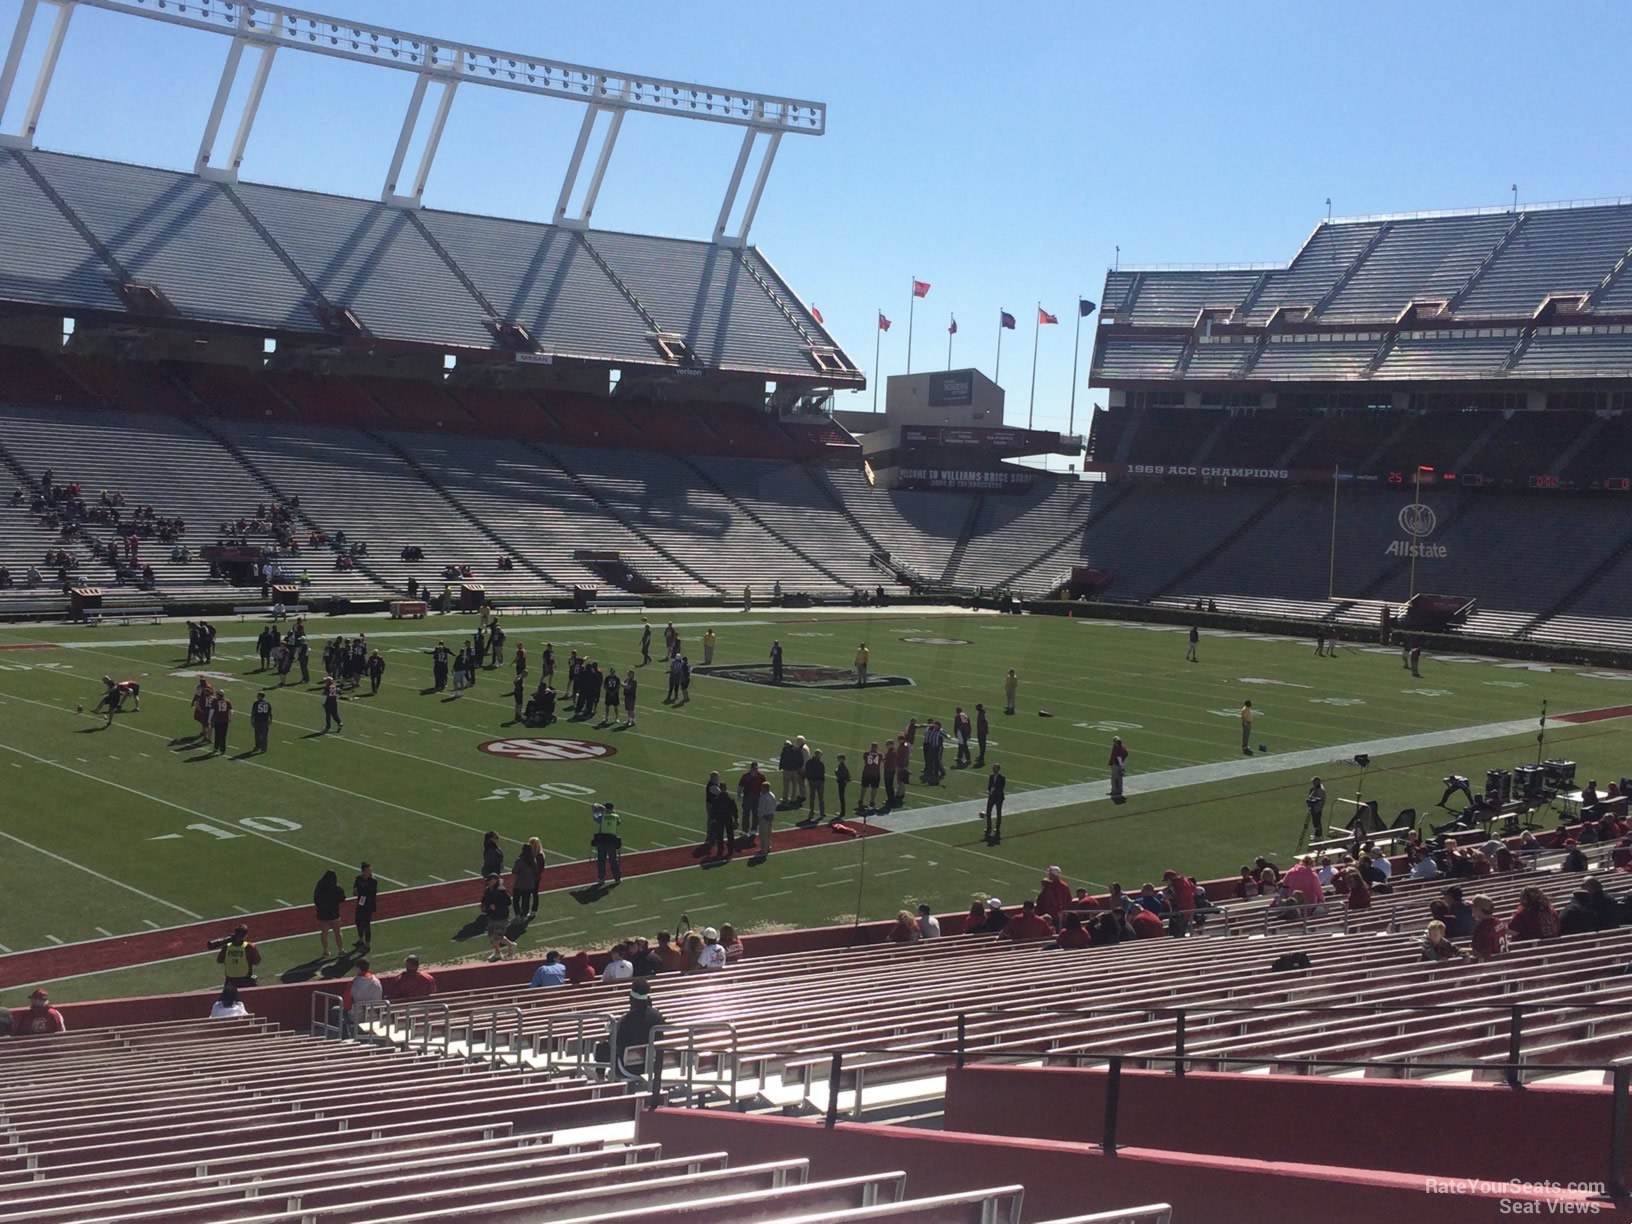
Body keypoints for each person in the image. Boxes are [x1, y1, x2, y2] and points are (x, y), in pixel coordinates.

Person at [606, 978, 665, 1077]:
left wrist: (612, 1031)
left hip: (628, 1069)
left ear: (631, 999)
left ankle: (601, 1075)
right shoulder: (657, 1015)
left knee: (603, 1047)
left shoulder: (627, 1019)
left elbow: (616, 1044)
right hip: (654, 1065)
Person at [482, 874, 517, 960]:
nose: (488, 882)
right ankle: (497, 953)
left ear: (495, 880)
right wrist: (485, 906)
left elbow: (508, 903)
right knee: (492, 936)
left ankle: (511, 945)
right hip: (491, 916)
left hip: (501, 916)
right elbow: (484, 900)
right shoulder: (488, 890)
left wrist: (496, 906)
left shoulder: (502, 891)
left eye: (490, 880)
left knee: (497, 936)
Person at [314, 870, 347, 958]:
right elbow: (342, 898)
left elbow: (316, 900)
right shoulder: (336, 888)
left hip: (323, 914)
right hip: (334, 914)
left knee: (324, 933)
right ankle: (340, 950)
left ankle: (325, 950)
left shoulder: (320, 887)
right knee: (337, 932)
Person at [217, 923, 260, 987]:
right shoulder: (249, 947)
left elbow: (219, 960)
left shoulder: (227, 947)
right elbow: (257, 961)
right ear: (245, 935)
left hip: (230, 982)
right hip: (245, 981)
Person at [347, 959, 384, 1034]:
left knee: (336, 1010)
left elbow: (347, 1002)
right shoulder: (376, 981)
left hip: (359, 1016)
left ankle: (346, 1035)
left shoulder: (354, 983)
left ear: (358, 968)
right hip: (376, 1014)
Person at [513, 837, 544, 919]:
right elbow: (536, 870)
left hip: (521, 883)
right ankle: (524, 914)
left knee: (517, 899)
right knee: (526, 899)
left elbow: (514, 870)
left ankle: (518, 914)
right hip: (530, 883)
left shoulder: (520, 860)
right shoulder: (533, 860)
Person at [592, 803, 623, 885]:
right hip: (612, 841)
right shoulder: (616, 816)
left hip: (602, 841)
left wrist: (595, 810)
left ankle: (601, 878)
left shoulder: (602, 816)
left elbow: (595, 818)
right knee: (613, 861)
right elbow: (618, 823)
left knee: (601, 861)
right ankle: (617, 878)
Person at [1469, 894, 1506, 960]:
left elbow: (1480, 954)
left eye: (1472, 907)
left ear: (1478, 909)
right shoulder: (1499, 922)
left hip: (1491, 965)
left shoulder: (1482, 928)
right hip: (1503, 959)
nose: (1471, 909)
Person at [352, 862, 378, 951]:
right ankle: (360, 939)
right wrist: (355, 892)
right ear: (363, 871)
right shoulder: (358, 879)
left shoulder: (373, 881)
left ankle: (367, 943)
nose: (369, 872)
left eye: (370, 870)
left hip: (369, 905)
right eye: (368, 870)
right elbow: (355, 888)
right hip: (361, 903)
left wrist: (361, 892)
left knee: (366, 924)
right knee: (358, 921)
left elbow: (370, 893)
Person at [984, 764, 1006, 844]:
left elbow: (1001, 788)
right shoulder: (991, 777)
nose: (994, 769)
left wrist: (994, 790)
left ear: (998, 769)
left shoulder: (1002, 778)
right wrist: (989, 790)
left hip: (998, 798)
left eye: (995, 768)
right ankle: (988, 827)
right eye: (993, 768)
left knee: (998, 813)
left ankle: (997, 828)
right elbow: (989, 786)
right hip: (991, 797)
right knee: (988, 812)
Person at [805, 748, 827, 820]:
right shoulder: (820, 763)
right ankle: (822, 812)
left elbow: (807, 771)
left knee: (812, 798)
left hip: (812, 781)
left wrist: (809, 778)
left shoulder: (809, 762)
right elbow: (822, 773)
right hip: (819, 782)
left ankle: (812, 811)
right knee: (820, 798)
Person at [755, 785, 777, 857]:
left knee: (763, 834)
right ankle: (768, 847)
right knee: (768, 833)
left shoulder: (763, 797)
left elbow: (762, 808)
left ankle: (763, 849)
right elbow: (774, 805)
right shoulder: (772, 795)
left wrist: (759, 816)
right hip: (770, 816)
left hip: (764, 817)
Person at [860, 742, 882, 812]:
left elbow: (865, 760)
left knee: (864, 787)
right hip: (875, 773)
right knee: (874, 788)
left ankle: (861, 800)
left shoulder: (866, 753)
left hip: (867, 772)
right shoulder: (880, 754)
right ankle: (872, 801)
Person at [209, 688, 232, 755]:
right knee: (223, 735)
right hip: (225, 720)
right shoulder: (227, 702)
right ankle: (223, 749)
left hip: (218, 720)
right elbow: (230, 711)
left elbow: (212, 711)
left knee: (217, 734)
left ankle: (216, 747)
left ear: (219, 695)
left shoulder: (215, 701)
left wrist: (210, 719)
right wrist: (230, 718)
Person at [249, 690, 273, 754]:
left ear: (260, 696)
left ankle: (258, 746)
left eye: (258, 695)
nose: (257, 697)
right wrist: (270, 720)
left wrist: (252, 720)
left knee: (257, 734)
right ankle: (264, 748)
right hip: (265, 721)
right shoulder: (267, 703)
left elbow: (253, 712)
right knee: (264, 735)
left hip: (258, 720)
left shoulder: (256, 703)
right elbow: (270, 713)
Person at [1108, 736, 1129, 800]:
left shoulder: (1118, 749)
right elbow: (1126, 756)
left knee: (1114, 779)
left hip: (1117, 765)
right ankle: (1120, 790)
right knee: (1119, 779)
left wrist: (1121, 766)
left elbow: (1118, 757)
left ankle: (1114, 791)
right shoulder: (1122, 748)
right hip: (1119, 765)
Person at [834, 754, 851, 821]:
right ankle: (842, 811)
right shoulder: (843, 766)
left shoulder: (842, 766)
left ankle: (842, 812)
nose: (838, 759)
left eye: (839, 758)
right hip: (842, 782)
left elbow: (841, 775)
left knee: (841, 797)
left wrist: (836, 772)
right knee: (841, 797)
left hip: (841, 783)